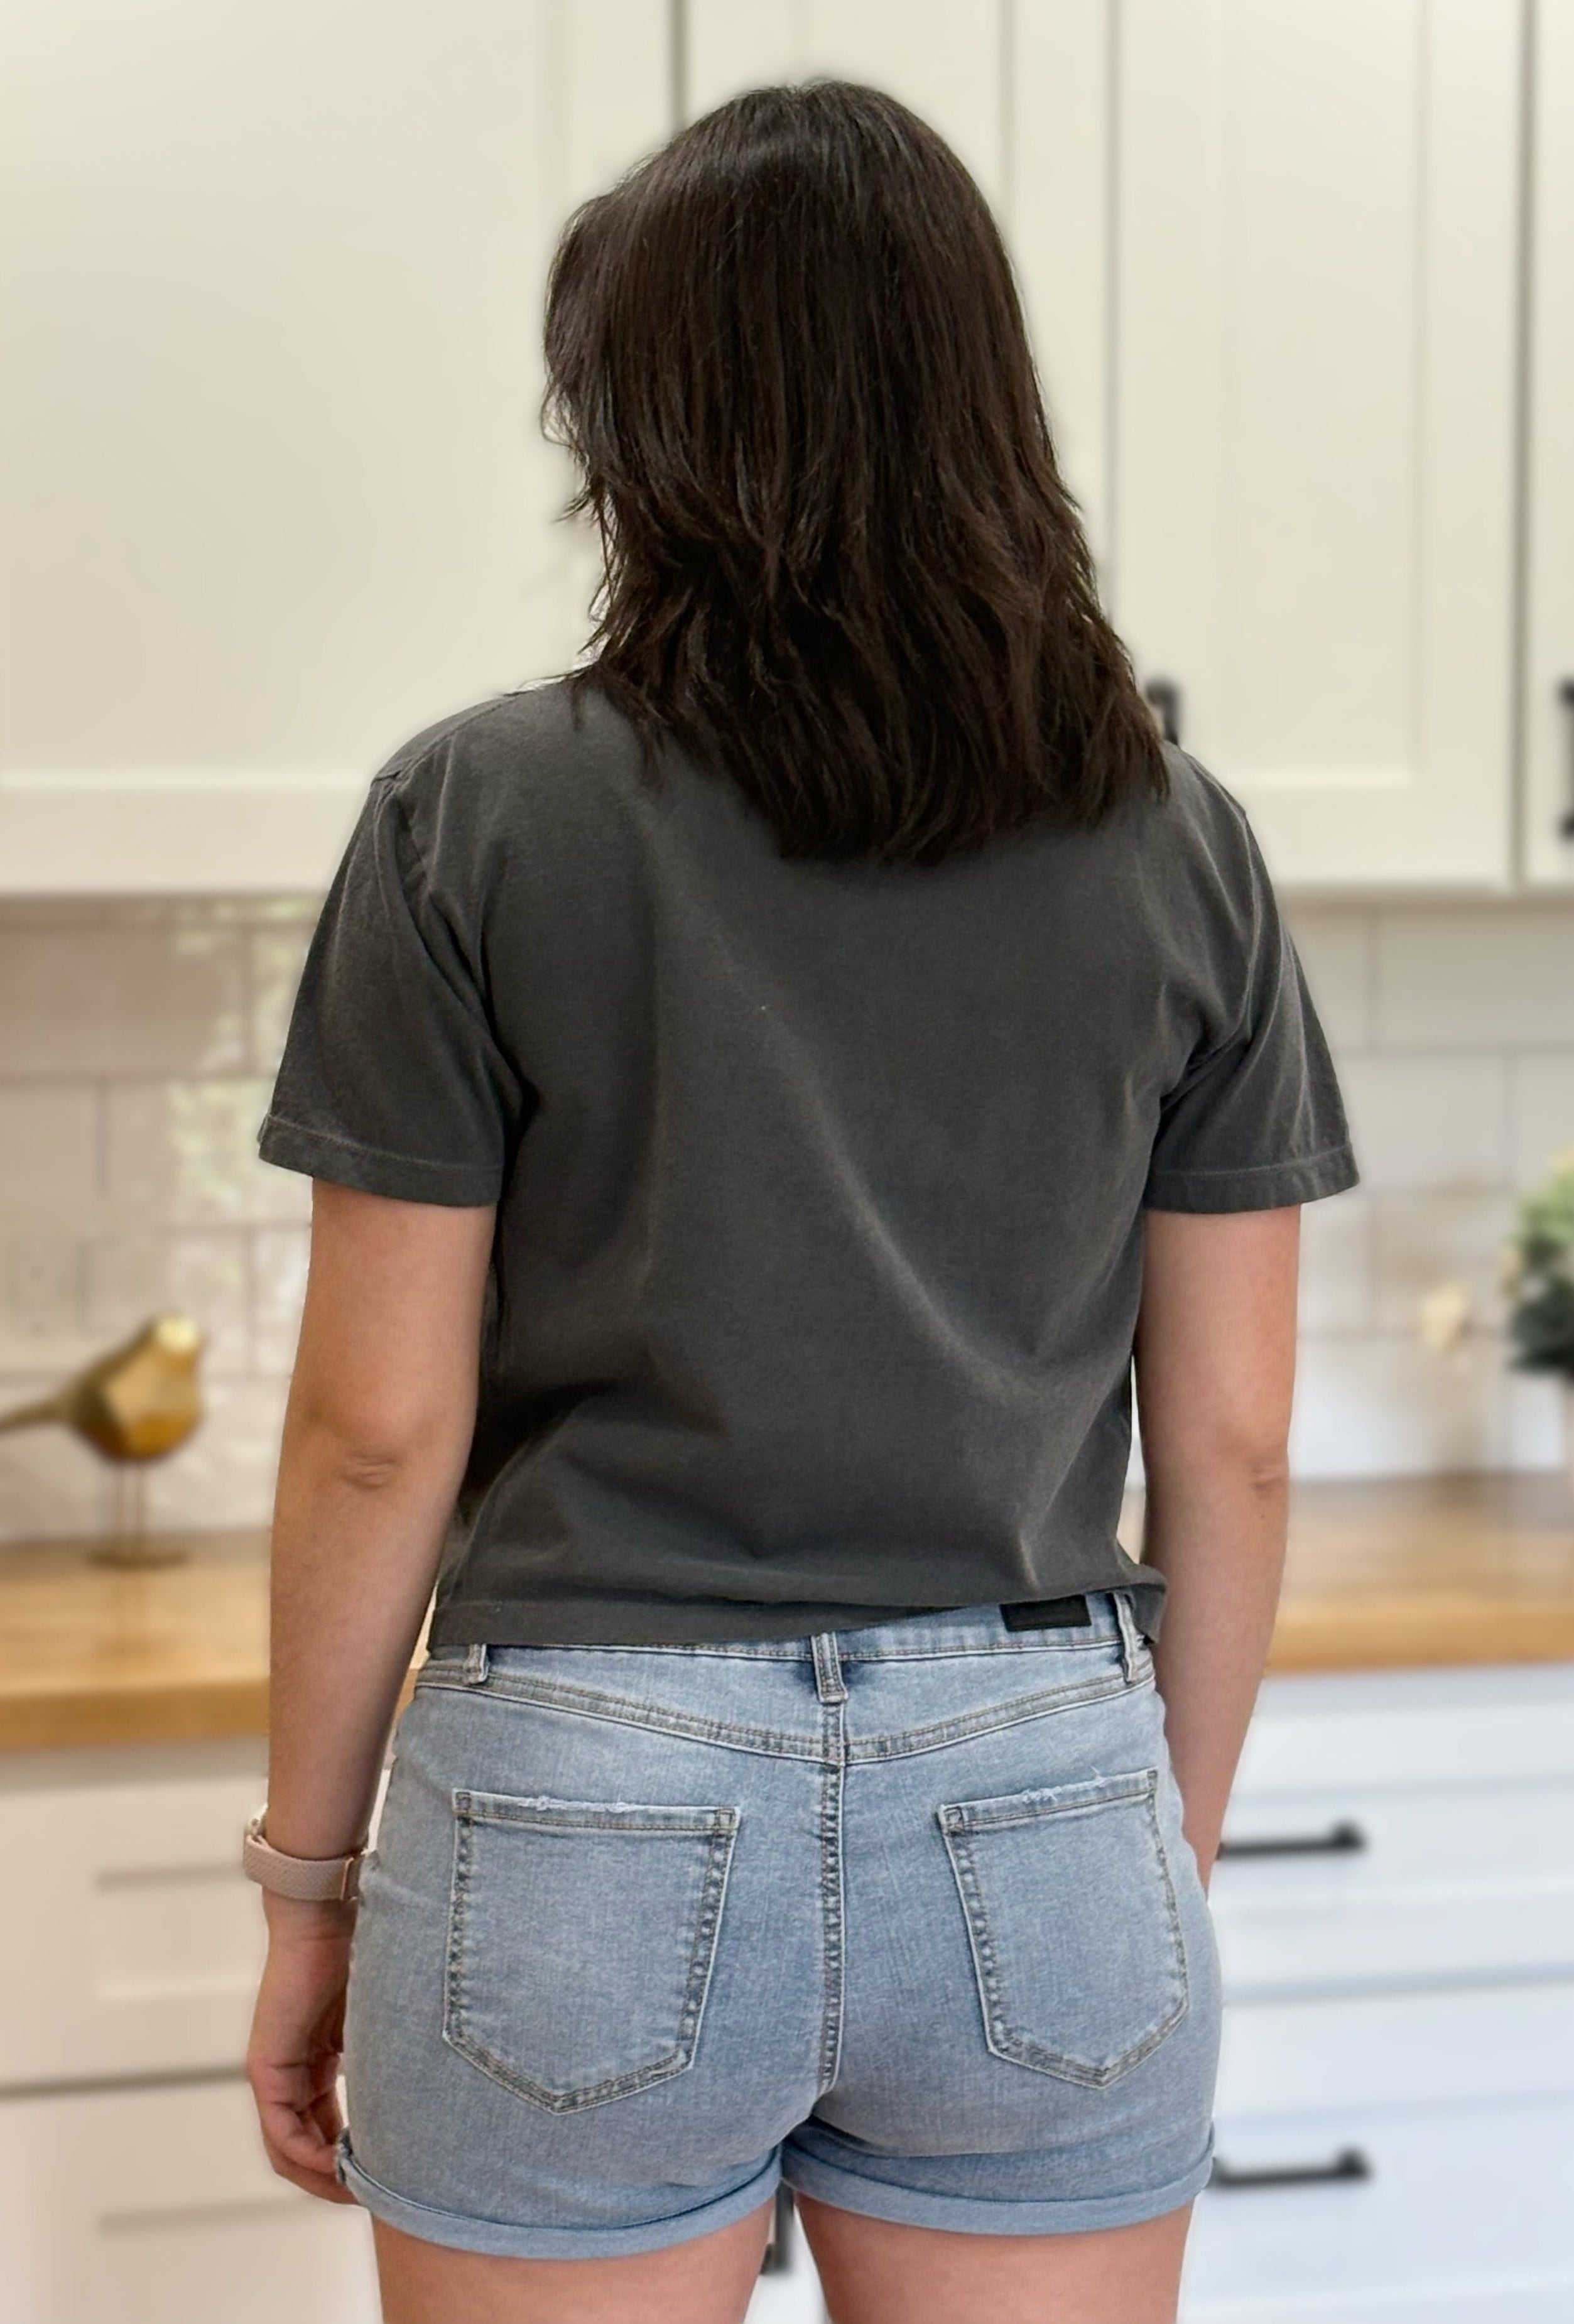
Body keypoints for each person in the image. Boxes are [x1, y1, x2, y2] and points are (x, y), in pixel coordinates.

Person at [242, 80, 1358, 2324]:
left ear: (647, 427)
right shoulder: (1176, 834)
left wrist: (308, 1882)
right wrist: (1145, 1844)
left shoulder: (473, 818)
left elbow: (377, 1429)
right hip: (1039, 1764)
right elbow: (1229, 1437)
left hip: (574, 1782)